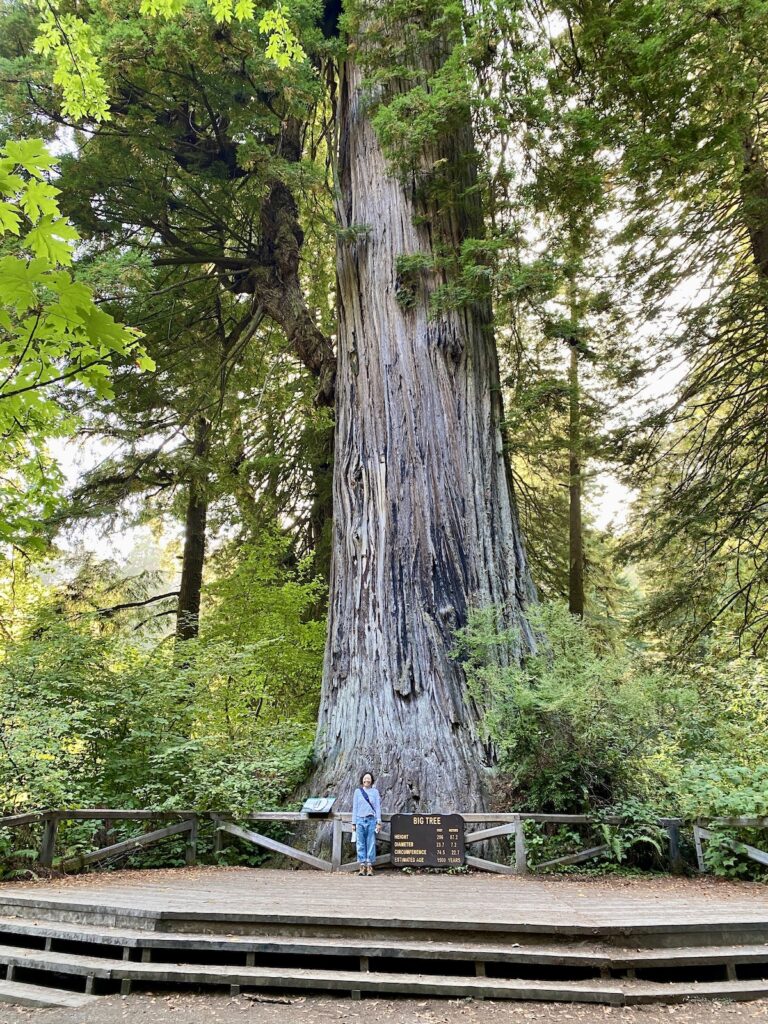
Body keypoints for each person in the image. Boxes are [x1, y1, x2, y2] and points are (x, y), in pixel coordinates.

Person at [352, 771, 382, 876]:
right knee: (360, 843)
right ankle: (362, 865)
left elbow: (378, 807)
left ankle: (369, 865)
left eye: (369, 778)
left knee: (371, 842)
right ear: (362, 780)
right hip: (360, 819)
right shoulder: (357, 792)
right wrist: (353, 823)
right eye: (365, 778)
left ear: (372, 780)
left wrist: (378, 821)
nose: (367, 780)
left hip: (371, 820)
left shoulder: (375, 792)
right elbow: (355, 807)